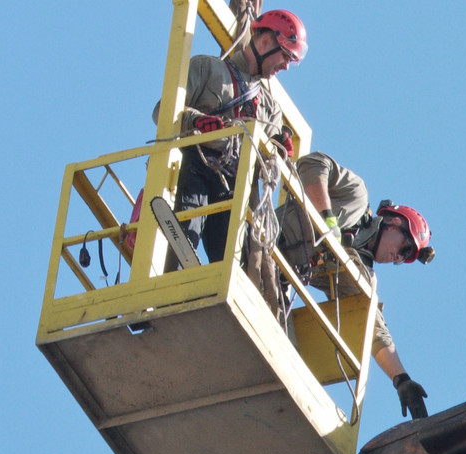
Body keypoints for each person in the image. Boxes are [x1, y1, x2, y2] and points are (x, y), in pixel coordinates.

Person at [276, 152, 435, 419]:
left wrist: (402, 380)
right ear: (395, 223)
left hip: (272, 277)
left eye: (405, 259)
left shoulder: (359, 272)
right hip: (262, 235)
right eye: (404, 248)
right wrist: (327, 219)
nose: (398, 258)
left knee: (282, 358)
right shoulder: (356, 196)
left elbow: (372, 325)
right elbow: (312, 163)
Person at [152, 9, 307, 262]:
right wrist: (198, 120)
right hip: (198, 166)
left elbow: (265, 173)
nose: (286, 66)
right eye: (286, 55)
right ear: (265, 42)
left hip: (234, 186)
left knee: (232, 260)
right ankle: (177, 282)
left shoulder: (270, 109)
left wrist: (277, 153)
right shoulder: (207, 69)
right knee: (186, 238)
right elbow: (163, 114)